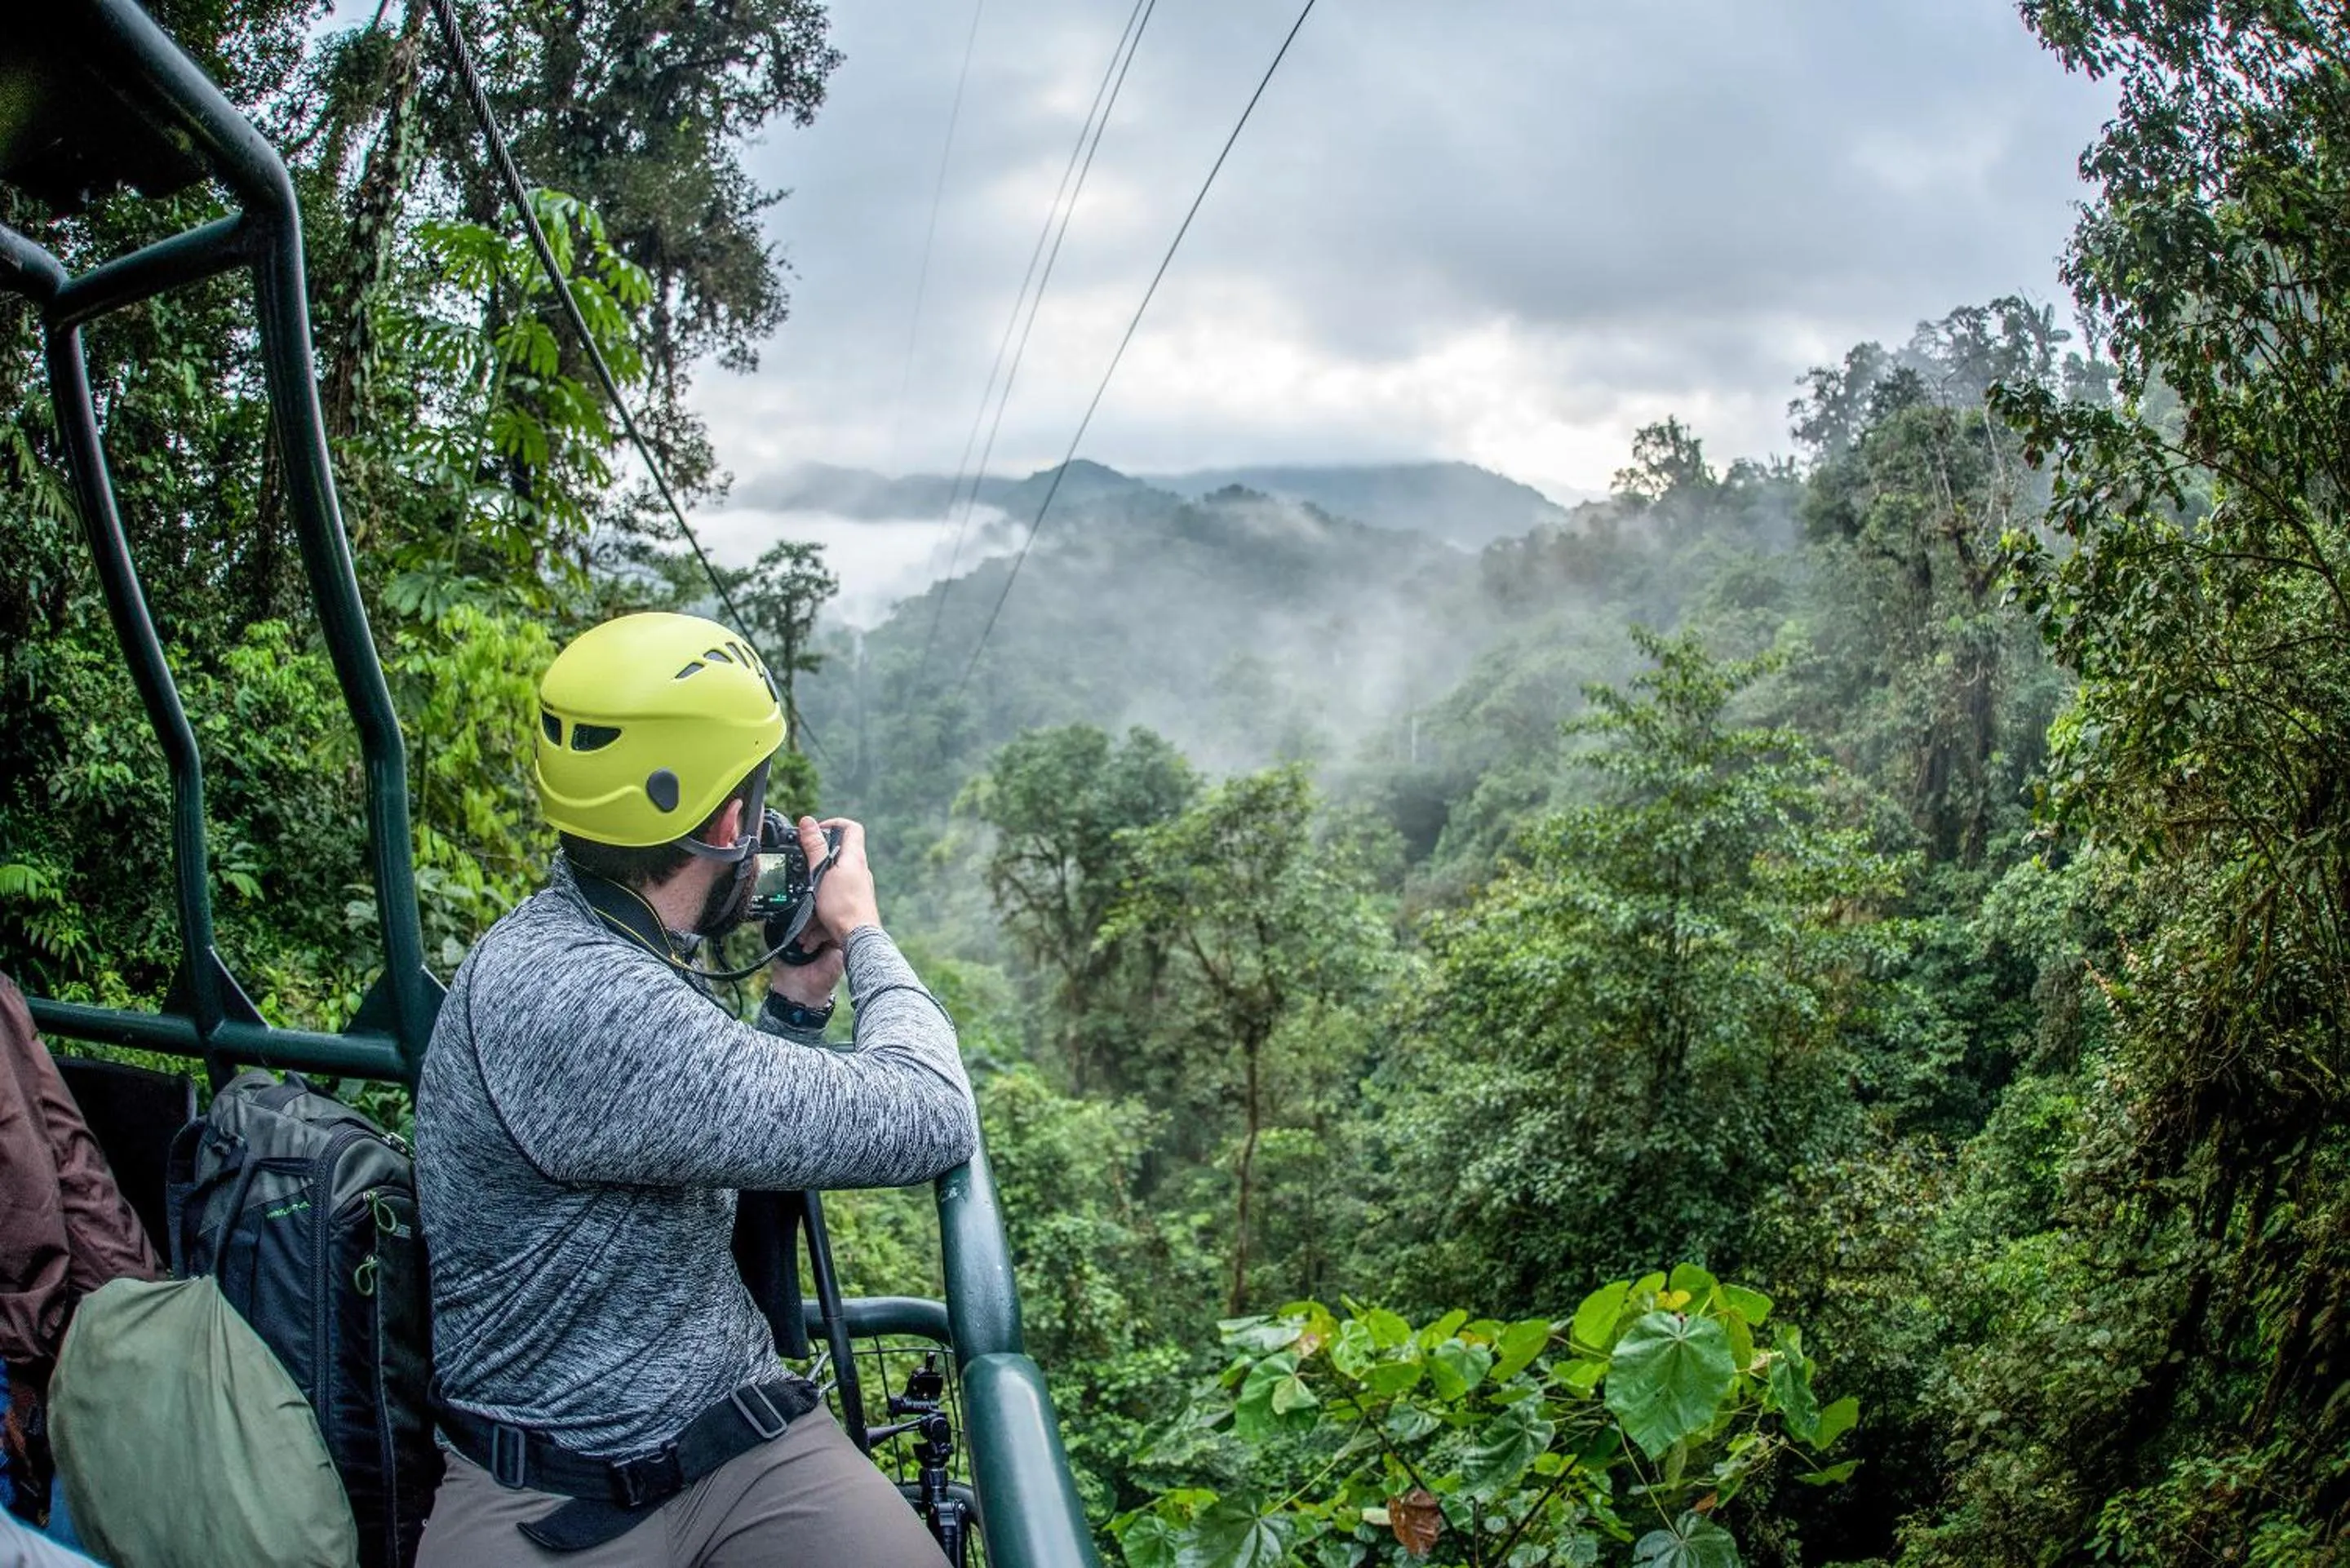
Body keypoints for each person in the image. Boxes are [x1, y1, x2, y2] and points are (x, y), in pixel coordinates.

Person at [415, 612, 977, 1566]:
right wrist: (866, 929)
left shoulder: (595, 940)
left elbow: (696, 1106)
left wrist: (796, 1001)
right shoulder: (588, 1001)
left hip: (734, 1437)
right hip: (544, 1492)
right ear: (726, 823)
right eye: (755, 810)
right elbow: (931, 1108)